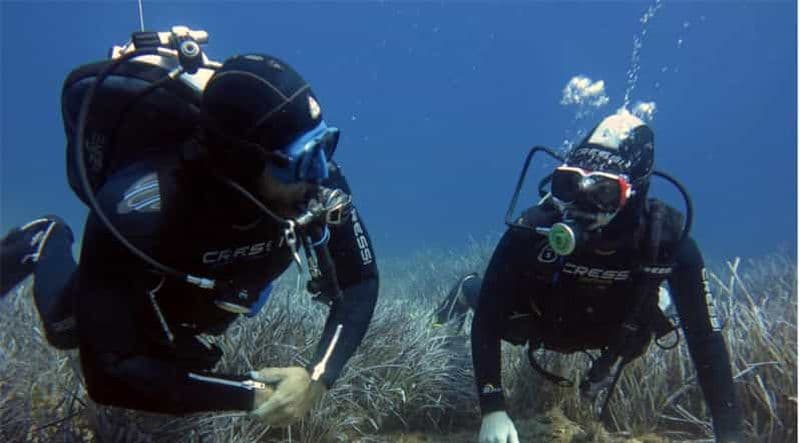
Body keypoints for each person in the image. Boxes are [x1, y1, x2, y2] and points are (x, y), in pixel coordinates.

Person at [0, 28, 378, 426]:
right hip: (158, 271)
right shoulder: (137, 207)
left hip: (206, 289)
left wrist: (316, 378)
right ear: (241, 163)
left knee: (184, 336)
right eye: (300, 160)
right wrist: (257, 395)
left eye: (325, 147)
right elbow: (107, 374)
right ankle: (45, 240)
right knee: (64, 329)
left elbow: (360, 281)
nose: (321, 175)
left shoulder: (317, 181)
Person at [437, 112, 744, 442]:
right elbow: (487, 319)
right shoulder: (534, 227)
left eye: (603, 191)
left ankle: (661, 300)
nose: (581, 204)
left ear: (634, 193)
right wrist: (493, 408)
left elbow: (705, 338)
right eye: (569, 186)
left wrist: (730, 433)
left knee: (656, 317)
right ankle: (466, 288)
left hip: (613, 331)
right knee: (489, 302)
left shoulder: (667, 242)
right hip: (541, 321)